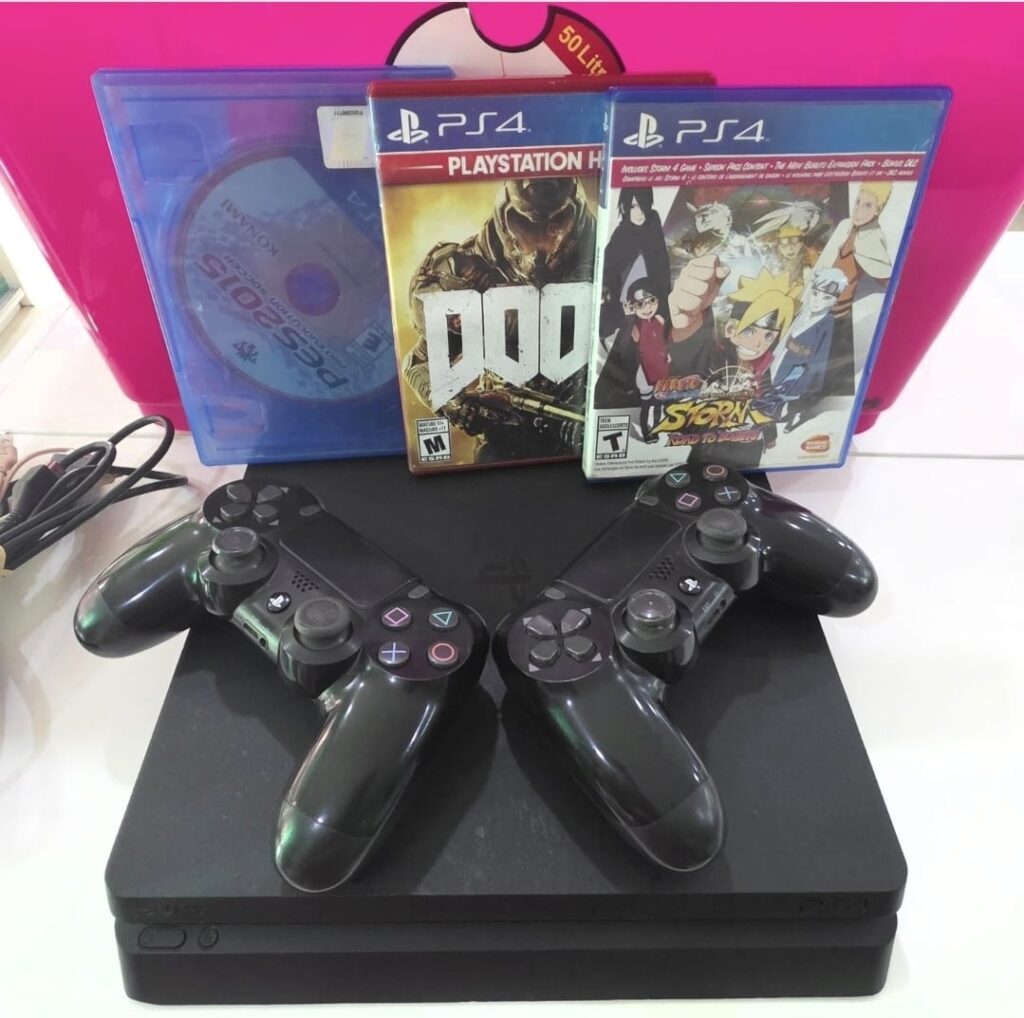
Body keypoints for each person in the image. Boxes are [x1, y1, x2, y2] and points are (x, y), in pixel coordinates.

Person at [770, 267, 849, 431]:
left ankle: (790, 421)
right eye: (815, 294)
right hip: (785, 361)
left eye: (826, 297)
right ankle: (779, 415)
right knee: (778, 391)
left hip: (801, 368)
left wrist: (812, 372)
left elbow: (822, 351)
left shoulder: (827, 321)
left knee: (793, 396)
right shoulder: (803, 313)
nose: (817, 301)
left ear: (835, 300)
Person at [599, 187, 670, 337]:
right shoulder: (621, 233)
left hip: (650, 296)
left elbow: (662, 264)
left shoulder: (653, 222)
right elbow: (606, 268)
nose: (640, 213)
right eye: (633, 207)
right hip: (622, 300)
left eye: (643, 205)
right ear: (624, 207)